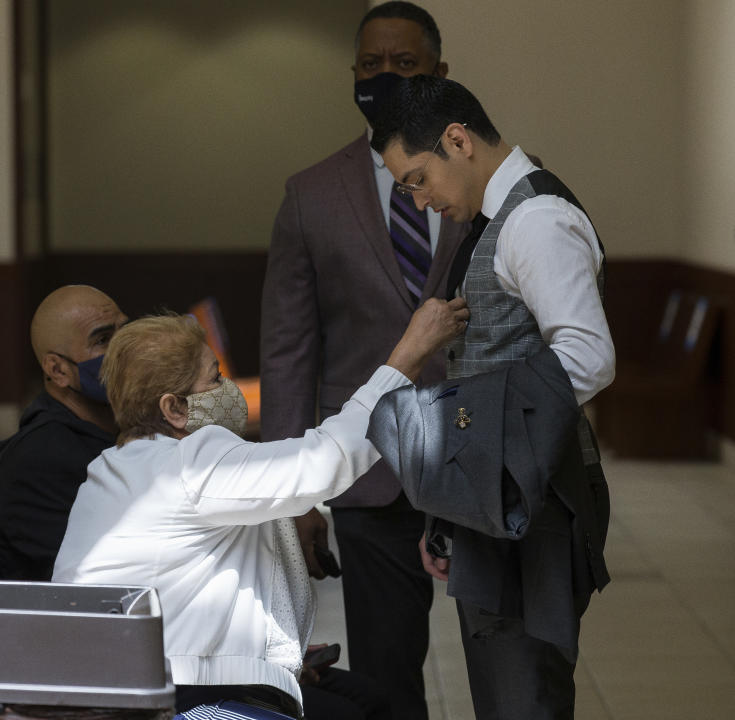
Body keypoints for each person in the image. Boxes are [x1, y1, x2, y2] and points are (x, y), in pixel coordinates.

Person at [53, 297, 469, 720]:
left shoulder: (121, 462)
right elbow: (324, 461)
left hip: (135, 671)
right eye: (214, 379)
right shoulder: (189, 462)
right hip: (165, 688)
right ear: (174, 409)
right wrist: (407, 358)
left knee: (370, 700)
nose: (227, 390)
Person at [370, 74, 615, 719]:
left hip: (535, 496)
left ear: (458, 140)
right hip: (499, 487)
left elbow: (588, 358)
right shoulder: (494, 216)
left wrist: (465, 438)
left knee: (520, 691)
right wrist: (451, 512)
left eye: (417, 179)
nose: (418, 200)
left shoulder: (534, 218)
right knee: (497, 679)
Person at [259, 4, 467, 718]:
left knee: (504, 657)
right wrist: (294, 496)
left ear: (438, 74)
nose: (384, 78)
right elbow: (288, 352)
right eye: (370, 66)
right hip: (368, 473)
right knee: (385, 674)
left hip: (478, 458)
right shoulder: (311, 194)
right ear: (352, 75)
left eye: (403, 66)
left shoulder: (479, 184)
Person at [0, 285, 128, 581]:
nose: (124, 349)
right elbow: (101, 575)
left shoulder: (119, 424)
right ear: (58, 370)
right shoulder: (40, 459)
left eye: (125, 332)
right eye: (102, 340)